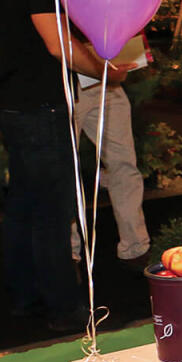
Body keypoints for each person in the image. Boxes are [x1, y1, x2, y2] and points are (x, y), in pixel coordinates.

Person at [0, 0, 121, 333]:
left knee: (23, 209)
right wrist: (106, 72)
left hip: (17, 106)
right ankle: (64, 308)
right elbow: (56, 43)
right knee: (51, 212)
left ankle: (24, 297)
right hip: (42, 109)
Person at [70, 33, 152, 266]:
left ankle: (136, 247)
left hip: (105, 65)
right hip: (68, 67)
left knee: (124, 162)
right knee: (64, 169)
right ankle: (69, 253)